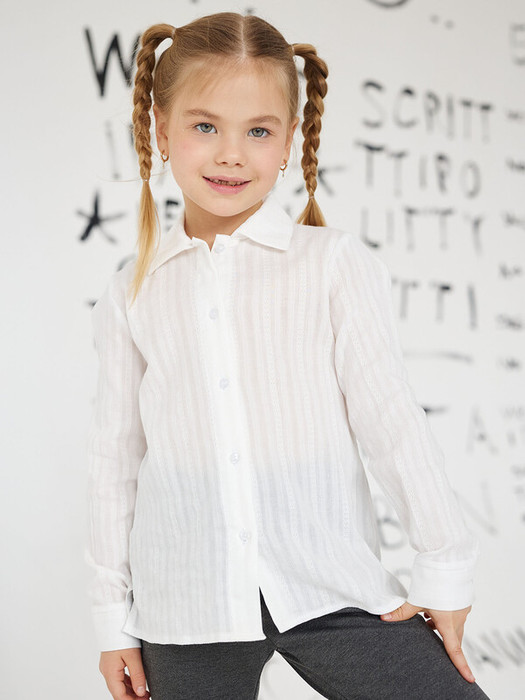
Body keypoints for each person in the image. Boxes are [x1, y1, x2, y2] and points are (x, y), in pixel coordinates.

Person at [85, 11, 490, 700]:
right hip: (187, 609)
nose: (231, 155)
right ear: (160, 128)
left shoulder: (332, 264)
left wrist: (443, 570)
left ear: (289, 140)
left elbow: (391, 423)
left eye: (258, 131)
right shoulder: (131, 291)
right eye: (204, 126)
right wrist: (110, 619)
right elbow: (114, 461)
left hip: (331, 591)